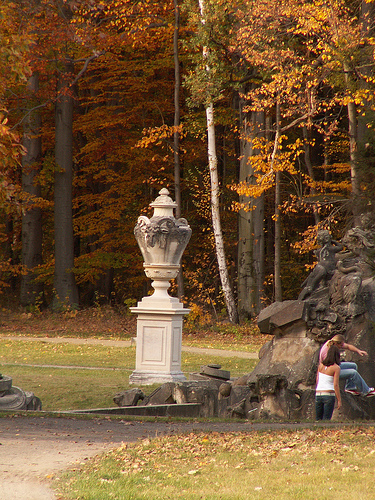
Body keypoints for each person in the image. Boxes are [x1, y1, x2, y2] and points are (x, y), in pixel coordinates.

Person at [299, 230, 343, 301]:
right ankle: (310, 286)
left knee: (318, 272)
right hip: (326, 267)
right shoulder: (327, 249)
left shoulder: (325, 249)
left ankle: (310, 286)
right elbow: (340, 247)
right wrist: (333, 241)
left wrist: (332, 241)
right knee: (319, 272)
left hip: (327, 268)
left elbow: (340, 248)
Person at [316, 344, 342, 420]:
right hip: (329, 394)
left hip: (318, 393)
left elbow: (317, 380)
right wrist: (339, 400)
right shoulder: (336, 368)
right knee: (326, 420)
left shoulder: (320, 365)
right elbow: (335, 385)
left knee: (318, 419)